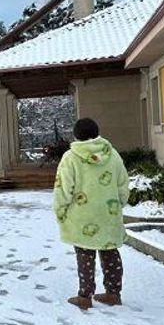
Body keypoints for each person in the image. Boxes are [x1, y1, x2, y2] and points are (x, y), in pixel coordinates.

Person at [52, 117, 129, 311]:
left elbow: (63, 188)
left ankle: (85, 296)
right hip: (108, 214)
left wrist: (60, 210)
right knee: (110, 252)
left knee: (85, 254)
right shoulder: (113, 155)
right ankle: (113, 293)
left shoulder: (71, 157)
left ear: (76, 135)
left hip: (82, 216)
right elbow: (123, 184)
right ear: (97, 133)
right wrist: (119, 204)